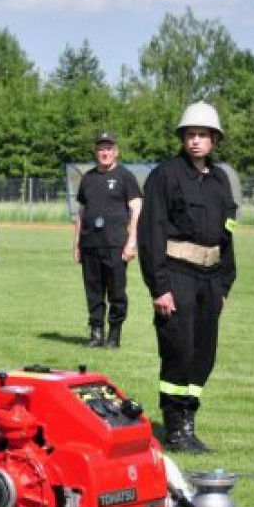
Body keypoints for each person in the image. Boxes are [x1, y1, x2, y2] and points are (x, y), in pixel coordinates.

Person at [138, 102, 237, 454]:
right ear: (183, 138)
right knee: (178, 350)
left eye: (203, 135)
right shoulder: (165, 175)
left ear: (214, 140)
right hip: (177, 274)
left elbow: (228, 233)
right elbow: (150, 234)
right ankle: (174, 426)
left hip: (211, 279)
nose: (196, 141)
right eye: (190, 135)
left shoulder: (221, 179)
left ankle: (189, 422)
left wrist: (225, 283)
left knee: (203, 354)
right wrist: (159, 287)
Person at [73, 132, 142, 348]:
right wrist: (76, 243)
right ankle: (96, 333)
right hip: (90, 244)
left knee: (116, 292)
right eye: (101, 149)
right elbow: (81, 213)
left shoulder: (125, 177)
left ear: (116, 151)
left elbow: (137, 210)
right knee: (93, 291)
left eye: (109, 148)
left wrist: (131, 243)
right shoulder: (88, 178)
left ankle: (114, 334)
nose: (105, 152)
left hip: (115, 244)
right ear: (96, 152)